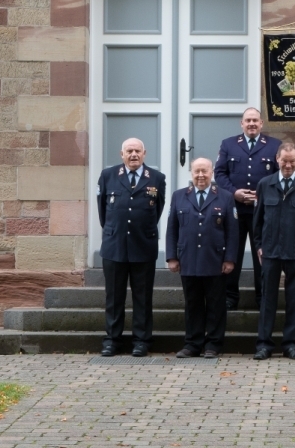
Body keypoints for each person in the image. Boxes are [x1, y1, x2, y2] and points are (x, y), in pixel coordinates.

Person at [96, 137, 166, 357]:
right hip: (114, 245)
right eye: (129, 151)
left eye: (137, 151)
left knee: (142, 297)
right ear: (122, 154)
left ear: (144, 153)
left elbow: (158, 209)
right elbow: (103, 211)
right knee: (114, 297)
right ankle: (112, 340)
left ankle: (142, 341)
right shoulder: (108, 176)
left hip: (143, 245)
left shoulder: (156, 178)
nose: (133, 154)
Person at [165, 157, 238, 359]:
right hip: (188, 259)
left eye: (204, 171)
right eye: (197, 171)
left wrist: (229, 258)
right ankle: (193, 344)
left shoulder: (224, 197)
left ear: (212, 172)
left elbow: (233, 232)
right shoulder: (179, 196)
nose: (200, 175)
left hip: (215, 259)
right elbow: (172, 228)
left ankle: (213, 344)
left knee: (216, 304)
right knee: (193, 303)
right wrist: (172, 256)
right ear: (191, 172)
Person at [252, 142, 295, 361]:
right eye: (284, 160)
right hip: (270, 251)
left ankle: (291, 344)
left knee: (294, 299)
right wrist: (259, 246)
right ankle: (264, 345)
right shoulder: (264, 184)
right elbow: (258, 220)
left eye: (292, 161)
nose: (288, 165)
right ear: (277, 159)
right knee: (267, 299)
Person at [215, 108, 282, 310]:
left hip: (261, 211)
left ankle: (263, 298)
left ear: (261, 123)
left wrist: (262, 196)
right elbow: (219, 173)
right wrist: (234, 192)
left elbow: (280, 177)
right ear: (241, 123)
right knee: (231, 253)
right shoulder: (228, 144)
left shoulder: (274, 145)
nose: (251, 124)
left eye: (255, 120)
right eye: (248, 120)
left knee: (261, 255)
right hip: (234, 210)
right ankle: (230, 297)